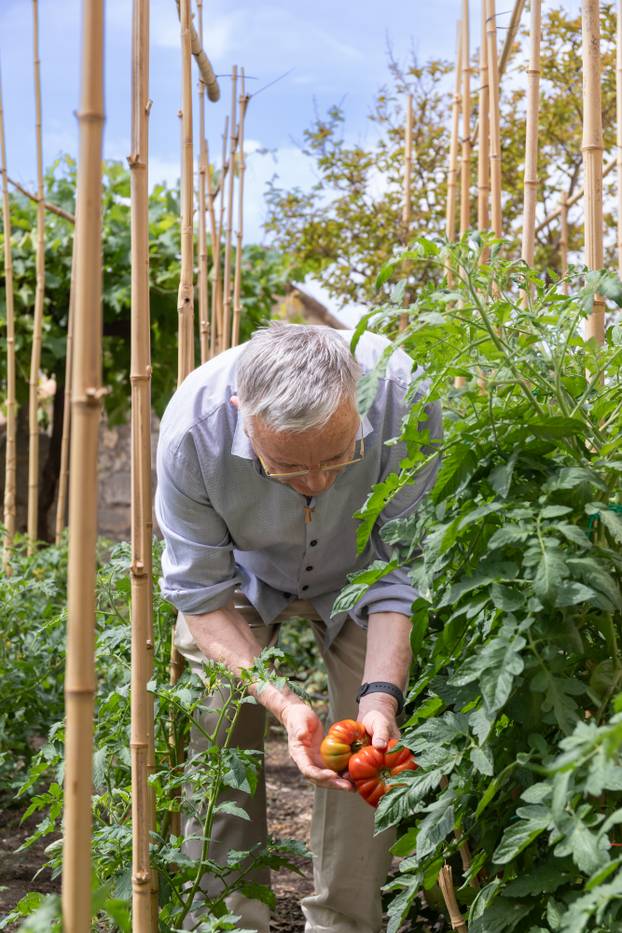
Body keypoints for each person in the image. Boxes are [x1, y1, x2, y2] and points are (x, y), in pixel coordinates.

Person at [155, 322, 441, 933]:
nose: (315, 484)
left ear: (358, 400)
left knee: (373, 749)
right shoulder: (192, 433)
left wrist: (379, 697)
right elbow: (202, 595)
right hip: (242, 573)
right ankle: (228, 917)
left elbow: (400, 568)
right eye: (285, 466)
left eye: (340, 457)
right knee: (217, 713)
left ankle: (347, 920)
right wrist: (284, 704)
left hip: (363, 570)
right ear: (242, 415)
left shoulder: (404, 400)